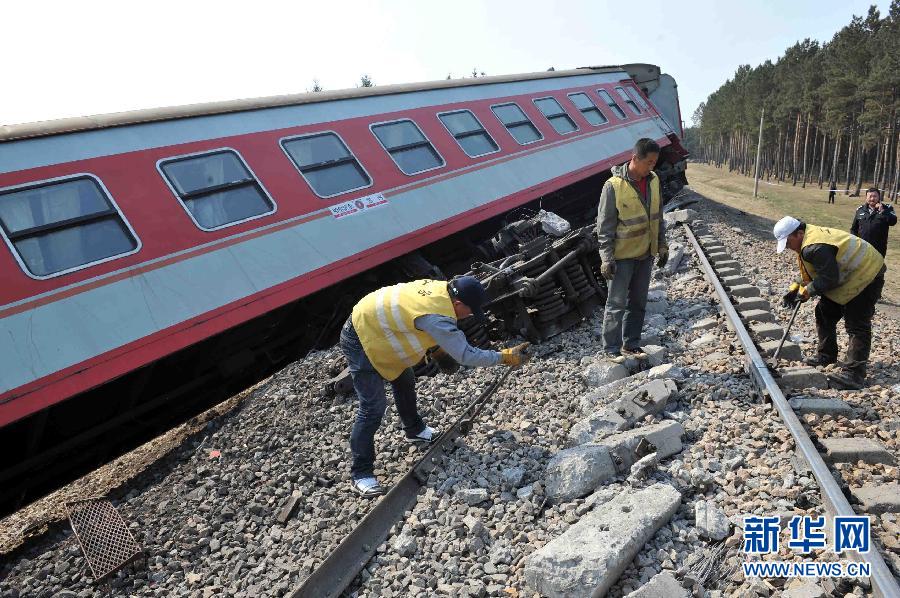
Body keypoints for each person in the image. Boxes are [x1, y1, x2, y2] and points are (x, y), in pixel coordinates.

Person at [340, 277, 530, 497]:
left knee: (405, 379)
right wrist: (505, 357)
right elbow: (466, 355)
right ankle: (360, 474)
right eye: (470, 310)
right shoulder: (437, 317)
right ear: (458, 304)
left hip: (379, 329)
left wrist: (437, 350)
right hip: (360, 336)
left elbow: (411, 318)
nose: (470, 315)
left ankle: (415, 431)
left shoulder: (441, 291)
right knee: (373, 406)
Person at [773, 216, 886, 390]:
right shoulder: (809, 240)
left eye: (788, 242)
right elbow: (819, 268)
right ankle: (827, 355)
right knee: (824, 311)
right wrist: (797, 285)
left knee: (857, 323)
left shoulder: (814, 247)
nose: (787, 247)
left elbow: (829, 278)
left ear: (799, 233)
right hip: (849, 274)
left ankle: (854, 375)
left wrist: (809, 291)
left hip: (868, 272)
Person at [596, 138, 668, 361]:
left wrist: (662, 245)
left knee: (638, 302)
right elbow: (605, 227)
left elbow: (658, 217)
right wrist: (606, 258)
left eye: (655, 162)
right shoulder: (613, 186)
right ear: (634, 158)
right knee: (616, 304)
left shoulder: (654, 180)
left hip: (645, 254)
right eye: (649, 162)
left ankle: (631, 344)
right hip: (622, 256)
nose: (652, 167)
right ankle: (611, 349)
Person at [850, 188, 896, 257]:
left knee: (876, 267)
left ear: (879, 197)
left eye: (875, 196)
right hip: (862, 247)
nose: (872, 199)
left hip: (878, 249)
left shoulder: (887, 208)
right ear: (866, 198)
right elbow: (854, 229)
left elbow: (893, 222)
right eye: (870, 196)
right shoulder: (860, 210)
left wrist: (883, 211)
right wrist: (855, 242)